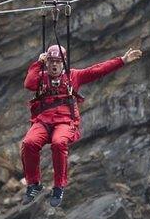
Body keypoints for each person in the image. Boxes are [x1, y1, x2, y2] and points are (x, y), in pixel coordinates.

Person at [21, 44, 142, 207]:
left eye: (58, 61)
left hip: (65, 121)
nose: (54, 65)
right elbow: (29, 84)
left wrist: (122, 60)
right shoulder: (41, 77)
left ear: (63, 63)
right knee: (29, 143)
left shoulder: (73, 76)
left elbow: (97, 70)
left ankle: (58, 186)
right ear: (46, 62)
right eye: (51, 62)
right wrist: (38, 63)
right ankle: (34, 184)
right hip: (43, 121)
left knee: (59, 143)